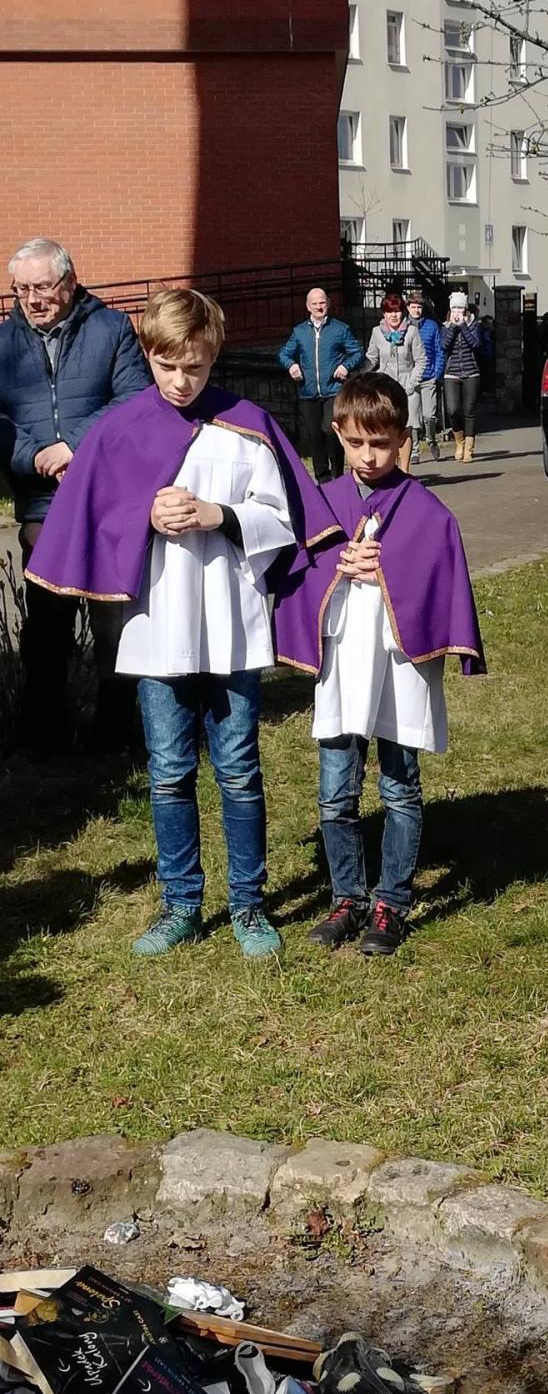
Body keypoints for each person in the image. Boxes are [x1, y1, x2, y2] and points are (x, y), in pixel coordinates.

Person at [25, 288, 339, 959]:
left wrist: (218, 516)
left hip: (230, 623)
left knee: (239, 769)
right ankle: (181, 904)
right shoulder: (120, 429)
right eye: (167, 366)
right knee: (168, 771)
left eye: (193, 366)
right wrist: (144, 515)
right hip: (159, 625)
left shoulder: (247, 425)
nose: (180, 380)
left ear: (214, 355)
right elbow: (93, 516)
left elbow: (284, 518)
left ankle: (248, 904)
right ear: (148, 353)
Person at [272, 372, 485, 957]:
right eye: (357, 442)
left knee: (399, 788)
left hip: (400, 665)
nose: (369, 456)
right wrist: (337, 565)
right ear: (337, 432)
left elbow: (439, 576)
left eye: (382, 444)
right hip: (343, 661)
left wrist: (387, 568)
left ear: (403, 439)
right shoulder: (322, 504)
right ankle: (347, 897)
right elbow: (295, 568)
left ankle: (391, 901)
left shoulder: (427, 512)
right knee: (335, 793)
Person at [0, 236, 149, 751]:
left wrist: (74, 447)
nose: (32, 299)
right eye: (21, 289)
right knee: (46, 626)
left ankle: (114, 735)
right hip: (45, 503)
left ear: (69, 281)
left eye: (42, 287)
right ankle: (41, 738)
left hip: (109, 497)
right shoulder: (4, 344)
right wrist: (33, 456)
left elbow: (135, 397)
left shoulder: (111, 329)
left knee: (112, 624)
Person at [278, 287, 363, 484]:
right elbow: (284, 354)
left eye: (322, 303)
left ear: (328, 304)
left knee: (330, 431)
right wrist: (291, 365)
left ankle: (337, 474)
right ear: (308, 306)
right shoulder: (300, 331)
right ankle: (322, 479)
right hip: (308, 392)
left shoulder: (340, 329)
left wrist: (345, 366)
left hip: (333, 390)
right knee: (314, 435)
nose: (319, 307)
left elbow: (357, 352)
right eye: (315, 303)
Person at [363, 294, 425, 475]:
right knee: (386, 429)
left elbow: (421, 360)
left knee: (405, 429)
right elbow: (371, 358)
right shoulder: (377, 332)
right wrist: (359, 374)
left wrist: (412, 383)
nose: (394, 315)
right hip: (385, 388)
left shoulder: (412, 332)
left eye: (397, 311)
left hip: (408, 387)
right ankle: (389, 470)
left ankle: (404, 472)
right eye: (389, 312)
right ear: (384, 314)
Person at [441, 292, 481, 462]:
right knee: (453, 410)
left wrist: (463, 327)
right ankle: (459, 441)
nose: (457, 312)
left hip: (471, 372)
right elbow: (444, 345)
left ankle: (469, 449)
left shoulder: (473, 325)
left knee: (469, 411)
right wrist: (452, 327)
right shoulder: (445, 326)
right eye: (454, 309)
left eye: (460, 309)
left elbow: (475, 344)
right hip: (451, 373)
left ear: (465, 310)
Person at [406, 291, 444, 463]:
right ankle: (414, 450)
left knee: (430, 414)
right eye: (413, 307)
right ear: (408, 308)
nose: (416, 310)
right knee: (412, 417)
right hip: (411, 378)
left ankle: (431, 439)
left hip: (429, 377)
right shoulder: (404, 326)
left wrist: (437, 373)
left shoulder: (431, 326)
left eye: (419, 307)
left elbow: (439, 350)